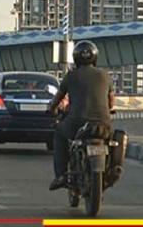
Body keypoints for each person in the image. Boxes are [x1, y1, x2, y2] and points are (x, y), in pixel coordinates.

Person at [46, 40, 115, 191]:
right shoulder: (105, 75)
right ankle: (112, 168)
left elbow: (57, 99)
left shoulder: (71, 76)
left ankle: (61, 175)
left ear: (76, 58)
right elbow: (111, 102)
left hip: (76, 123)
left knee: (58, 134)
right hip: (103, 124)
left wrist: (52, 110)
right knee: (114, 139)